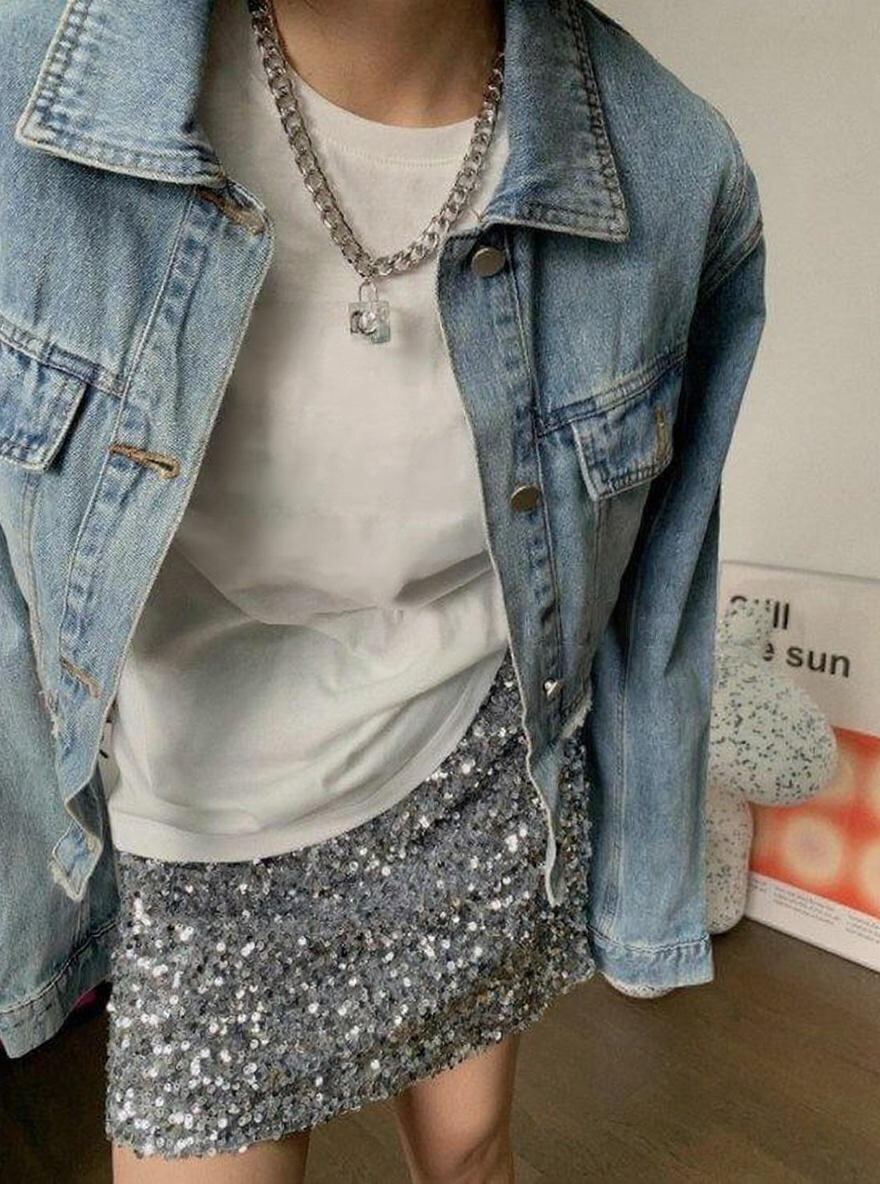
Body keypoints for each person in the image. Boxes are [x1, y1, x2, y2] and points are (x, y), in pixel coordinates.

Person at [0, 0, 768, 1181]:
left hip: (473, 762)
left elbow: (658, 582)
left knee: (470, 1152)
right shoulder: (32, 84)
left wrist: (645, 890)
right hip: (194, 813)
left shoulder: (668, 164)